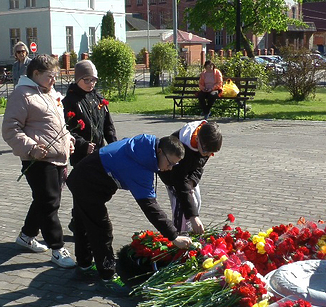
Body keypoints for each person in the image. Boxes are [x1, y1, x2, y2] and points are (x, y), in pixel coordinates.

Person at [66, 134, 193, 293]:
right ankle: (108, 276)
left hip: (84, 175)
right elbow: (150, 207)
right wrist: (174, 236)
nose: (170, 168)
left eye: (175, 164)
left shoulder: (145, 148)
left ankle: (84, 265)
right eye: (170, 163)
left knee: (84, 223)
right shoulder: (140, 167)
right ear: (160, 151)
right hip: (87, 183)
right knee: (101, 229)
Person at [2, 54, 76, 268]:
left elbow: (57, 123)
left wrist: (68, 139)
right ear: (36, 74)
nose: (54, 80)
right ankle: (57, 247)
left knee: (44, 200)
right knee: (49, 202)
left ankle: (26, 236)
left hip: (57, 157)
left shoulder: (49, 93)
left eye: (56, 75)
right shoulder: (22, 94)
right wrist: (31, 148)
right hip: (38, 159)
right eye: (50, 75)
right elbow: (10, 129)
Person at [62, 60, 117, 232]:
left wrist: (115, 146)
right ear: (77, 79)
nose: (91, 84)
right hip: (81, 153)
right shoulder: (70, 101)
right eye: (86, 80)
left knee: (94, 189)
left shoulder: (98, 99)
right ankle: (79, 222)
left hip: (99, 153)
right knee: (82, 188)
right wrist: (83, 144)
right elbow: (66, 129)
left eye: (93, 80)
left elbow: (108, 126)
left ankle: (79, 220)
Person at [158, 120, 222, 234]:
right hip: (172, 175)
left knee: (196, 202)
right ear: (197, 139)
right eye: (206, 151)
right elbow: (180, 183)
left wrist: (192, 181)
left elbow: (199, 165)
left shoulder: (207, 142)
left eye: (211, 153)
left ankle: (190, 234)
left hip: (188, 176)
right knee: (182, 208)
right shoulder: (182, 146)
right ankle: (179, 237)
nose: (208, 155)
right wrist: (193, 217)